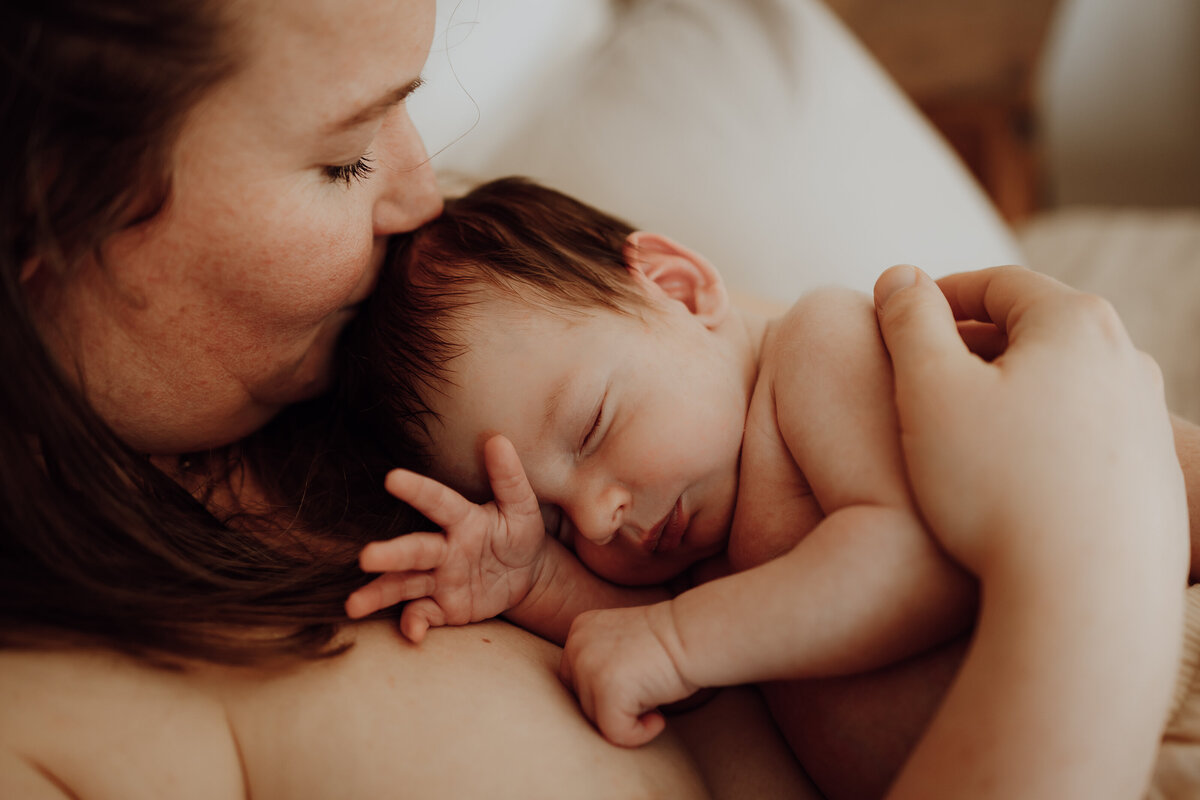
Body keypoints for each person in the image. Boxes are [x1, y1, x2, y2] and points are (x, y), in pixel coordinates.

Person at [0, 1, 1186, 797]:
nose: (420, 190)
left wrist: (1111, 521)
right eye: (343, 156)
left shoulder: (414, 322)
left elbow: (728, 440)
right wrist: (1089, 555)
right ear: (45, 220)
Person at [344, 177, 1191, 797]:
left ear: (679, 289)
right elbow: (684, 659)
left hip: (1161, 675)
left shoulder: (817, 350)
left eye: (595, 426)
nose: (601, 517)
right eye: (560, 523)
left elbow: (913, 563)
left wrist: (676, 640)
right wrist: (532, 580)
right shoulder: (695, 555)